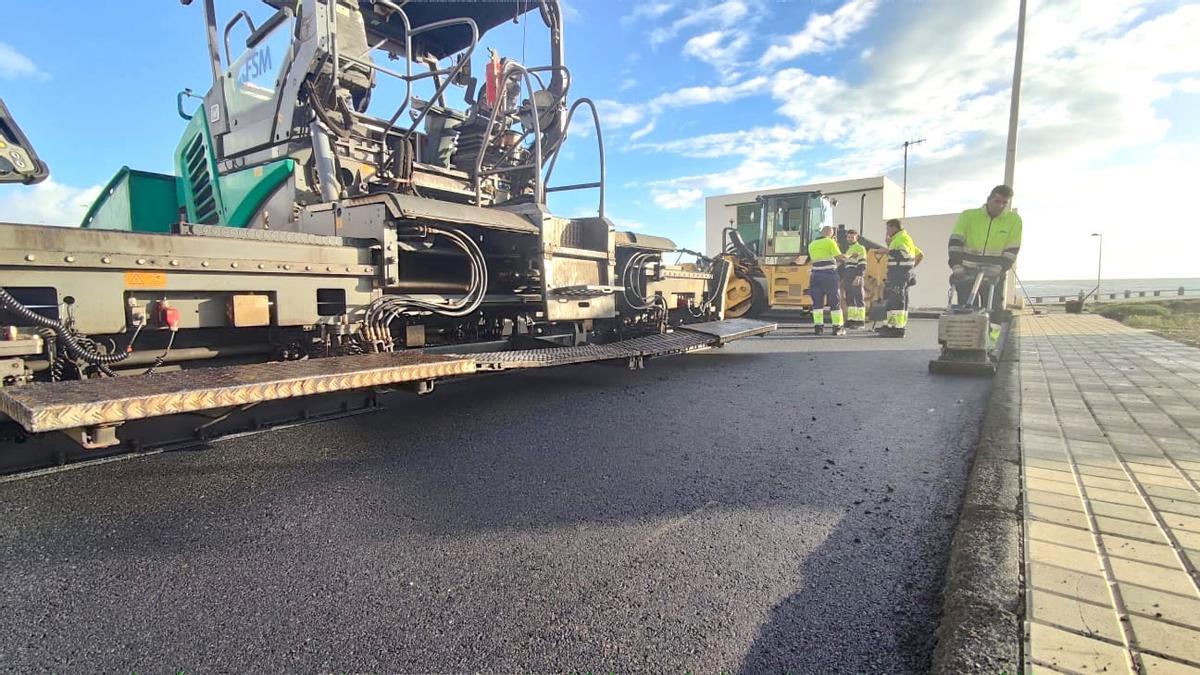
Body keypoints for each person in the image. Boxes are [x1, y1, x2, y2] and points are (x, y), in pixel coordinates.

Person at [947, 185, 1023, 314]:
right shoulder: (969, 216)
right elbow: (955, 242)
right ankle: (970, 333)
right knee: (967, 309)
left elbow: (1012, 248)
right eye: (997, 201)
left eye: (1005, 203)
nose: (1000, 206)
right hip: (967, 270)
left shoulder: (1013, 220)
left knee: (994, 309)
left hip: (993, 272)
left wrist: (1001, 267)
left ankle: (993, 333)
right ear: (989, 199)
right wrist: (956, 265)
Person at [874, 219, 919, 337]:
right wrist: (888, 245)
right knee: (892, 299)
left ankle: (898, 328)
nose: (887, 231)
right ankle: (890, 325)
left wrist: (886, 251)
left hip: (900, 274)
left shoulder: (903, 238)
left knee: (898, 299)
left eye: (888, 228)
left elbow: (904, 254)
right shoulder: (897, 239)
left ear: (894, 228)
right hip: (896, 273)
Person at [807, 225, 846, 336]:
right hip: (829, 275)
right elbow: (838, 257)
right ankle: (837, 328)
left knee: (817, 303)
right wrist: (848, 256)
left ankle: (818, 328)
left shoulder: (812, 244)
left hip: (815, 275)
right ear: (830, 233)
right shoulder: (830, 242)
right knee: (835, 301)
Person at [841, 229, 868, 328]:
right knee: (850, 298)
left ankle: (860, 321)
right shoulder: (849, 249)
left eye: (852, 237)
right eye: (848, 237)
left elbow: (862, 263)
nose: (850, 239)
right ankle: (852, 320)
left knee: (858, 297)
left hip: (855, 274)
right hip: (848, 275)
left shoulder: (860, 248)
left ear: (856, 238)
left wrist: (859, 276)